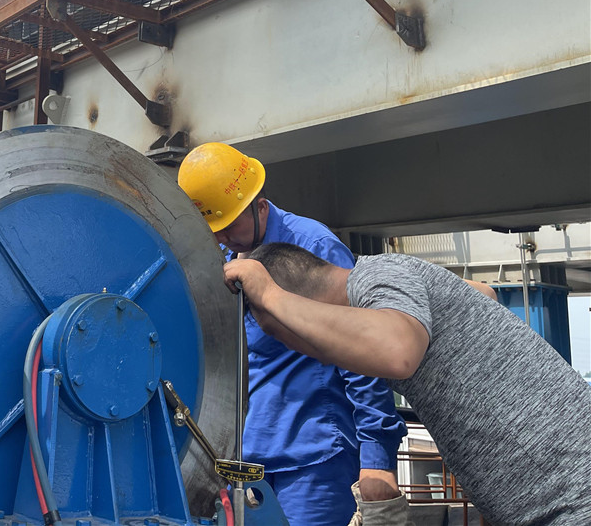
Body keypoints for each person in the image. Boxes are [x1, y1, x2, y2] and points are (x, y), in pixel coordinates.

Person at [226, 243, 591, 526]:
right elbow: (485, 294)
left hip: (573, 496)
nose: (299, 349)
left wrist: (270, 295)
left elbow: (398, 352)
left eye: (284, 335)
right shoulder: (396, 282)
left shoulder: (378, 274)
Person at [177, 143, 406, 526]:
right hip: (253, 462)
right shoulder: (233, 258)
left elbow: (361, 352)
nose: (223, 239)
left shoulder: (314, 246)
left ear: (259, 204)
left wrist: (377, 459)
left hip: (316, 461)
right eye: (215, 232)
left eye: (229, 227)